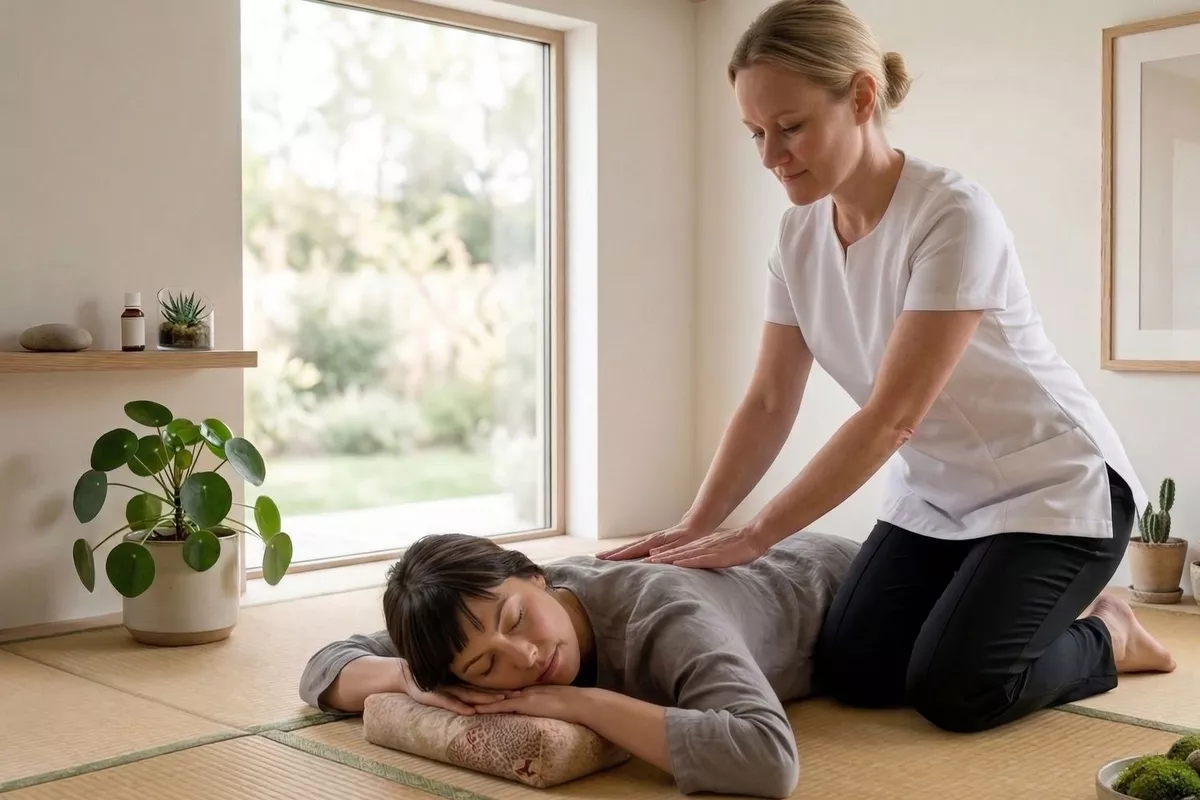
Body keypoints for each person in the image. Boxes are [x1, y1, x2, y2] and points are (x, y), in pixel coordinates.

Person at [598, 0, 1176, 735]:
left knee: (957, 691)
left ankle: (1111, 634)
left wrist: (756, 535)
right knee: (858, 672)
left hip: (1052, 492)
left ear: (863, 97)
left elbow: (891, 418)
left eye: (791, 126)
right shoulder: (798, 234)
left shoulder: (952, 213)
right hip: (937, 497)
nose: (771, 155)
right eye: (756, 133)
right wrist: (694, 526)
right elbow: (772, 399)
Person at [299, 530, 860, 798]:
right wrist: (412, 680)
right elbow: (322, 668)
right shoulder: (466, 624)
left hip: (855, 602)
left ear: (535, 575)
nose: (524, 656)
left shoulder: (665, 615)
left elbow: (769, 759)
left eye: (518, 619)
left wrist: (580, 703)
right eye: (487, 667)